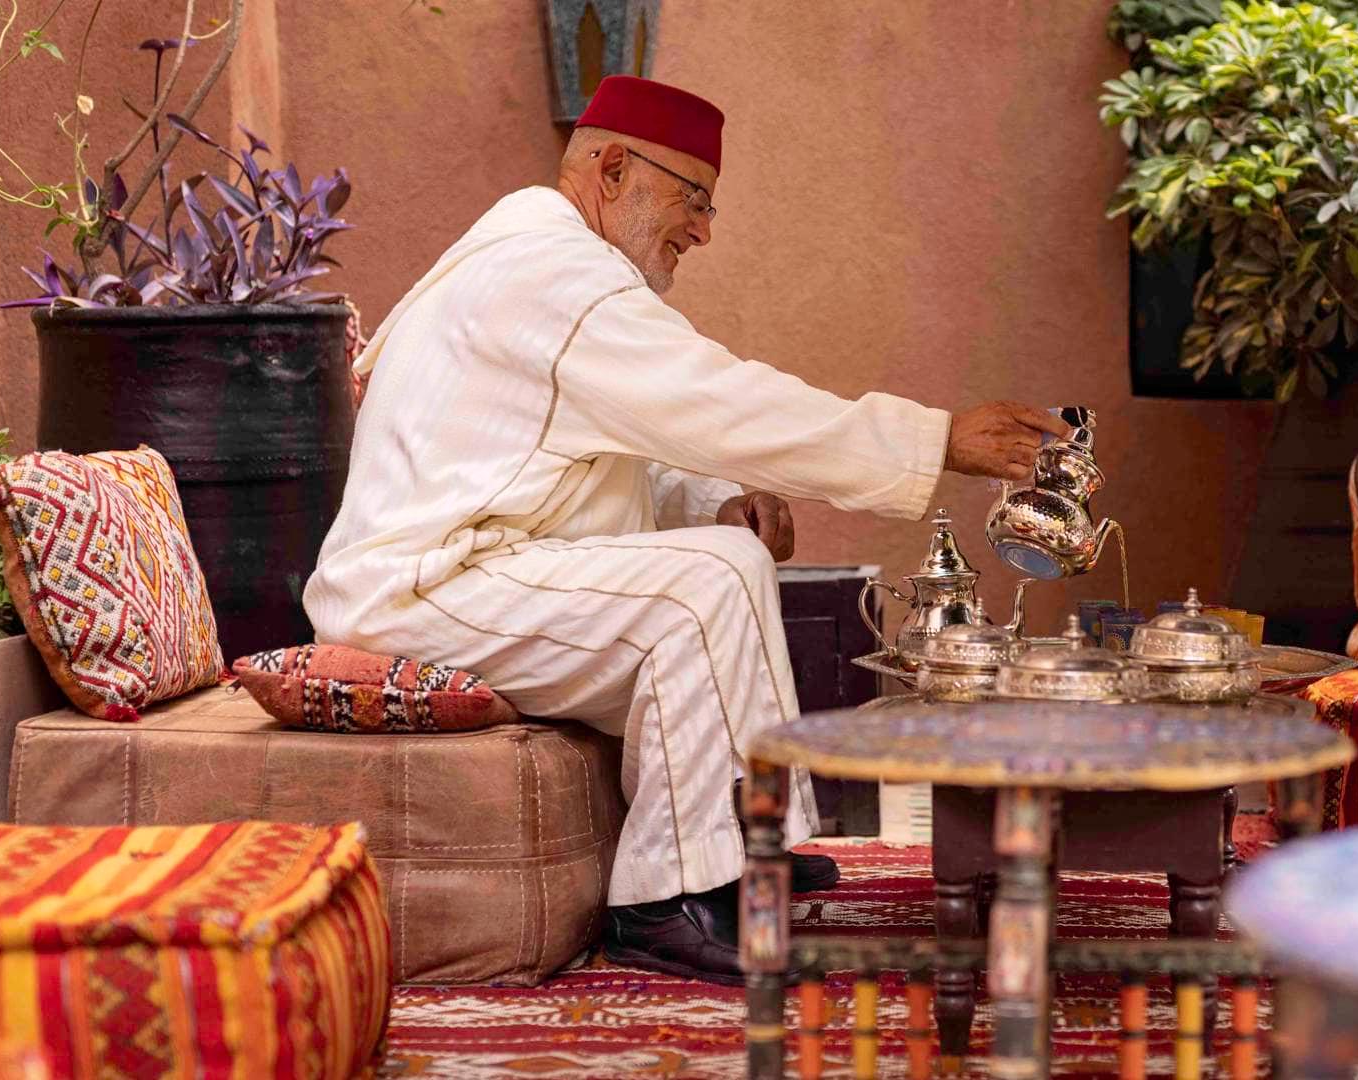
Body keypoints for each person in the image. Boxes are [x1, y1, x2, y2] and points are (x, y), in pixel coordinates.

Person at [303, 75, 1067, 985]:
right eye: (692, 199)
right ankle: (663, 904)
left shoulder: (542, 260)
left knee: (726, 553)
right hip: (420, 591)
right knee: (698, 587)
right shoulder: (554, 279)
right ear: (616, 168)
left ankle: (750, 853)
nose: (703, 229)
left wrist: (713, 502)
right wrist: (936, 439)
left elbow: (582, 453)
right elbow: (720, 401)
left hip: (475, 568)